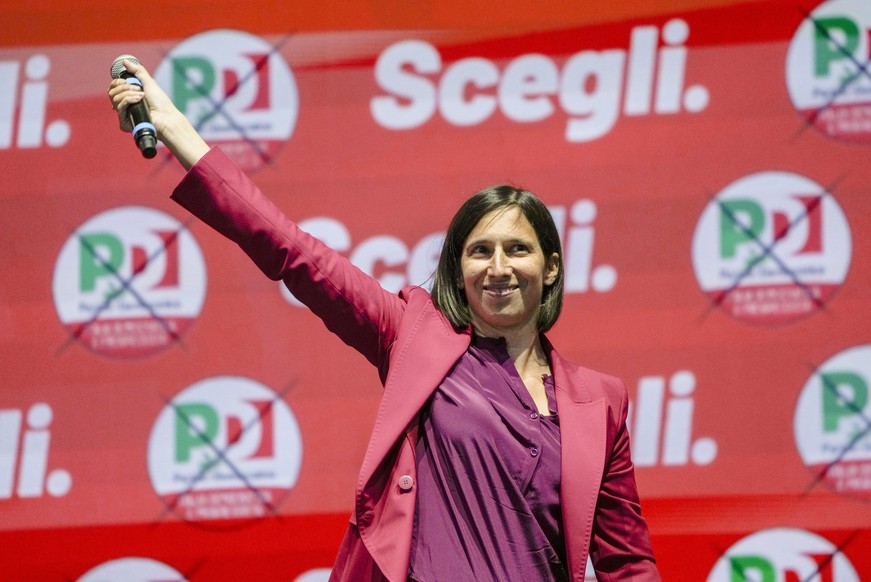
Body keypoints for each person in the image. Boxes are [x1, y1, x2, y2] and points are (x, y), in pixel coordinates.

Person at [109, 59, 660, 582]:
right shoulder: (412, 335)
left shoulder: (599, 402)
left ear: (551, 266)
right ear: (457, 268)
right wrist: (174, 127)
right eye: (479, 251)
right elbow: (293, 251)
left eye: (518, 249)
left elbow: (629, 563)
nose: (498, 268)